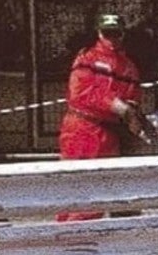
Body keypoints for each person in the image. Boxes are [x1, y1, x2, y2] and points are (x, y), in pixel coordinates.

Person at [58, 10, 149, 160]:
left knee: (108, 180)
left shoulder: (129, 66)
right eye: (107, 33)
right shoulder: (87, 58)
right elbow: (80, 93)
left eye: (116, 33)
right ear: (99, 34)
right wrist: (115, 105)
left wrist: (133, 112)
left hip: (109, 134)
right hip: (81, 130)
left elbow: (134, 96)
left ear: (123, 34)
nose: (112, 39)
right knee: (75, 180)